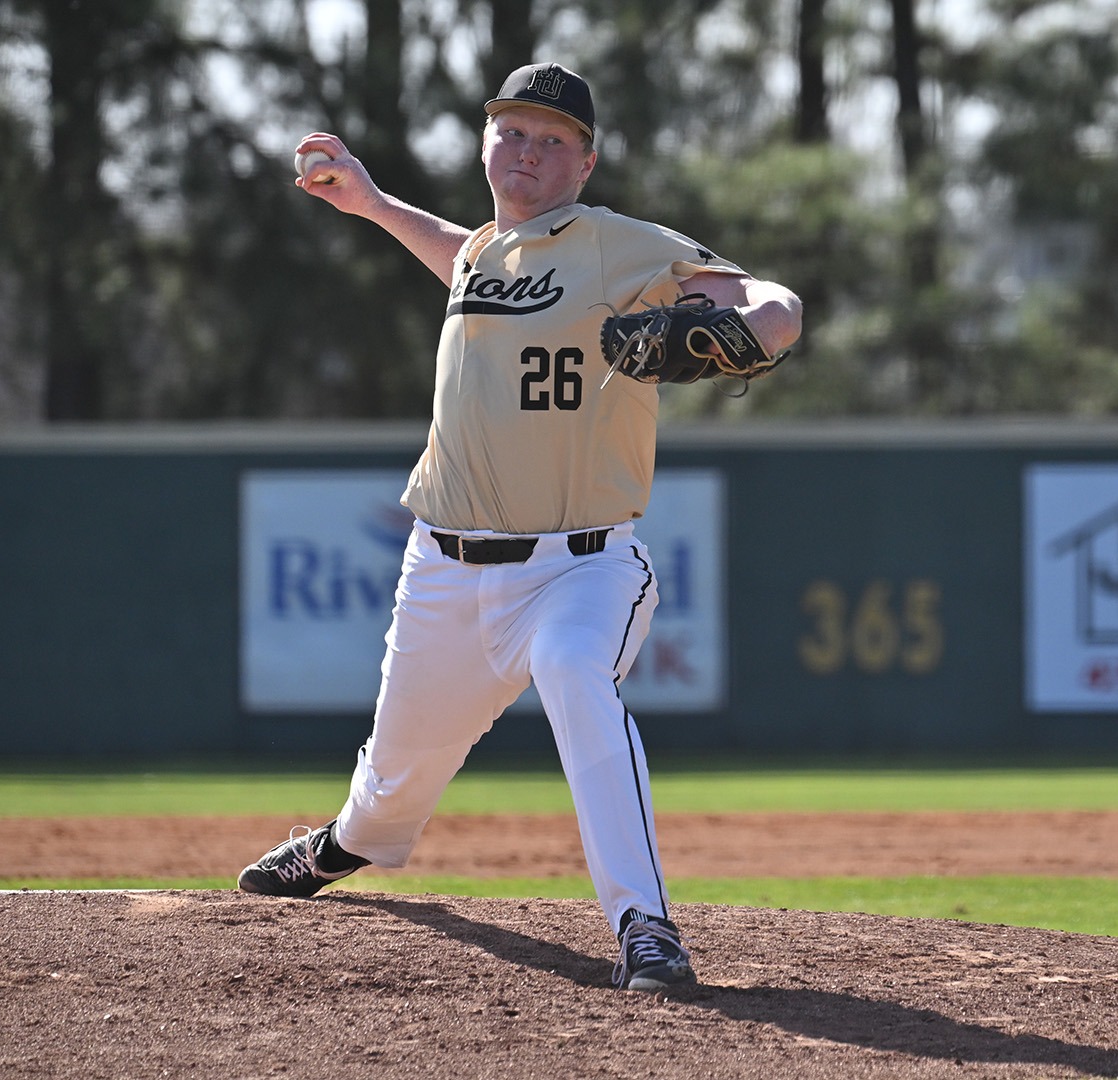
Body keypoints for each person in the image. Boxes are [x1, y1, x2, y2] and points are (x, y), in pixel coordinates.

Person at [237, 63, 803, 989]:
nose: (527, 150)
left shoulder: (621, 247)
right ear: (487, 143)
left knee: (577, 675)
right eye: (512, 131)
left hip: (580, 568)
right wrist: (374, 204)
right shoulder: (486, 254)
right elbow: (463, 254)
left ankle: (644, 925)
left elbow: (773, 305)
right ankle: (346, 844)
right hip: (446, 570)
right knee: (389, 789)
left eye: (551, 139)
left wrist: (743, 329)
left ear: (585, 163)